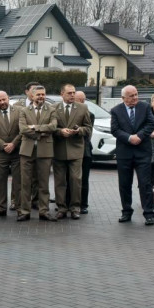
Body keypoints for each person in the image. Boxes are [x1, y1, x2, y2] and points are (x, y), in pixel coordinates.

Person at [110, 85, 154, 225]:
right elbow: (115, 130)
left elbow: (150, 123)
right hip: (125, 153)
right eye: (131, 96)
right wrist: (130, 138)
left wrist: (139, 136)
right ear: (123, 98)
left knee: (145, 184)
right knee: (124, 184)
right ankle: (126, 212)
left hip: (143, 152)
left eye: (136, 94)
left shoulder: (145, 107)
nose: (135, 98)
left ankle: (149, 214)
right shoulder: (116, 110)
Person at [17, 85, 57, 221]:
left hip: (45, 151)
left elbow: (53, 127)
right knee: (25, 183)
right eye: (38, 94)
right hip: (27, 151)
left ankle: (44, 211)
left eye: (43, 94)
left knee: (43, 183)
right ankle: (24, 211)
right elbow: (22, 129)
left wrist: (35, 128)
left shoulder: (51, 110)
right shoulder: (23, 111)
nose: (41, 97)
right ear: (32, 96)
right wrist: (41, 133)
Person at [52, 85, 92, 220]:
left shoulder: (82, 108)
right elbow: (50, 128)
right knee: (60, 181)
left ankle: (75, 208)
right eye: (69, 93)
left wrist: (78, 131)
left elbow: (88, 128)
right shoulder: (54, 108)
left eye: (74, 93)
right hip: (58, 150)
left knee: (76, 180)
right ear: (62, 94)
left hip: (76, 149)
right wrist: (60, 131)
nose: (72, 95)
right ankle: (61, 208)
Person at [74, 91, 94, 214]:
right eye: (78, 99)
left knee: (83, 179)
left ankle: (83, 204)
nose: (81, 102)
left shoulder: (89, 115)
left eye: (82, 100)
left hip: (85, 151)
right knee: (69, 178)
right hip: (70, 149)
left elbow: (87, 133)